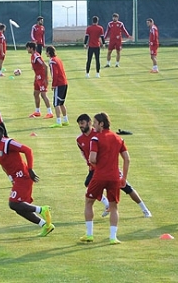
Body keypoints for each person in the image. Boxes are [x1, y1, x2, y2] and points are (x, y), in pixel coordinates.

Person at [0, 125, 54, 237]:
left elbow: (27, 150)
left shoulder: (8, 143)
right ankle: (45, 225)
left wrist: (30, 169)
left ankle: (42, 210)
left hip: (23, 177)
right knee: (19, 208)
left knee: (13, 203)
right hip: (17, 179)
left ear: (0, 134)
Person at [76, 114, 151, 218]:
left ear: (89, 123)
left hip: (108, 168)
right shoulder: (79, 140)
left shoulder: (98, 134)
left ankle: (144, 209)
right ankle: (107, 205)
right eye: (79, 124)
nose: (81, 126)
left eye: (82, 123)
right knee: (89, 185)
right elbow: (85, 153)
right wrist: (89, 164)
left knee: (126, 188)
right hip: (95, 168)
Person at [80, 112, 129, 245]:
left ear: (101, 124)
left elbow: (92, 159)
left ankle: (89, 234)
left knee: (89, 202)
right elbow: (127, 158)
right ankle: (113, 237)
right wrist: (123, 177)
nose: (93, 126)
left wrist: (98, 166)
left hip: (100, 175)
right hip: (114, 177)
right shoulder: (119, 138)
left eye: (95, 123)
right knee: (114, 207)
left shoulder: (96, 139)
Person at [26, 42, 53, 120]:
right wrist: (35, 77)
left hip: (41, 78)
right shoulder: (32, 56)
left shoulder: (36, 56)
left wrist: (45, 78)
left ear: (31, 48)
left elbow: (45, 66)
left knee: (43, 95)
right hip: (37, 77)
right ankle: (37, 111)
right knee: (35, 93)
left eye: (27, 48)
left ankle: (50, 112)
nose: (27, 49)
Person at [46, 45, 69, 128]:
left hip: (59, 84)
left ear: (49, 52)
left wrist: (53, 84)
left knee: (56, 104)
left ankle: (58, 121)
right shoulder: (58, 59)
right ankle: (66, 120)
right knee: (62, 103)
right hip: (65, 83)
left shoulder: (52, 61)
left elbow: (54, 74)